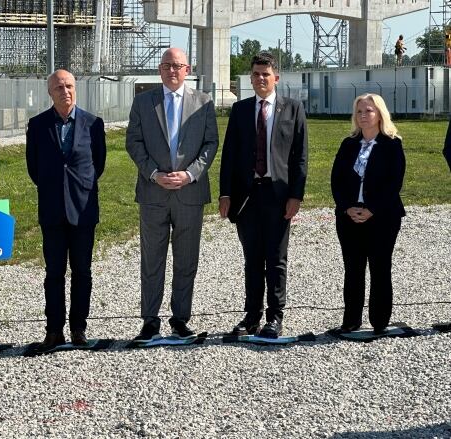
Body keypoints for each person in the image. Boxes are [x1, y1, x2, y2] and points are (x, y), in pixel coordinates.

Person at [125, 48, 218, 342]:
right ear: (159, 69)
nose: (172, 71)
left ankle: (180, 319)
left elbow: (210, 144)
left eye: (177, 66)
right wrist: (154, 173)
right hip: (154, 192)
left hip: (189, 192)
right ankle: (150, 321)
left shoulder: (203, 102)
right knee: (152, 260)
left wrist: (189, 174)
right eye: (166, 66)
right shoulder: (143, 102)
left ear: (187, 69)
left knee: (186, 259)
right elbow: (134, 142)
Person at [219, 52, 308, 339]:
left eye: (265, 74)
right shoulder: (241, 110)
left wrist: (296, 196)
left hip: (278, 195)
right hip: (247, 197)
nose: (260, 79)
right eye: (255, 74)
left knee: (276, 258)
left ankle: (275, 316)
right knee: (252, 259)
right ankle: (252, 316)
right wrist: (225, 194)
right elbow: (229, 156)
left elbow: (300, 158)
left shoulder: (292, 109)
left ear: (276, 78)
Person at [26, 69, 106, 351]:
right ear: (50, 92)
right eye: (59, 87)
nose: (65, 91)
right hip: (52, 210)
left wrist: (78, 188)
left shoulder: (93, 124)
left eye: (69, 86)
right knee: (54, 273)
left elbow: (99, 165)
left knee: (82, 271)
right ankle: (54, 330)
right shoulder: (37, 125)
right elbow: (33, 168)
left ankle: (78, 328)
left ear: (76, 89)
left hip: (83, 210)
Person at [330, 94, 406, 335]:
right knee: (353, 268)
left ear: (380, 114)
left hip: (382, 217)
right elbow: (336, 180)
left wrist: (372, 209)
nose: (363, 116)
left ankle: (380, 320)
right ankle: (351, 319)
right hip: (349, 216)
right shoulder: (348, 144)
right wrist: (347, 207)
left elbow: (394, 183)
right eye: (359, 111)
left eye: (369, 111)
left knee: (380, 267)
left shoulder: (392, 145)